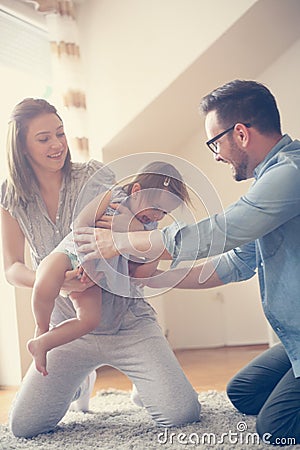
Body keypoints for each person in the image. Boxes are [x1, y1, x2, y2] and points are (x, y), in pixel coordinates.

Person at [75, 80, 300, 445]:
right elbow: (233, 264)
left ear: (240, 133)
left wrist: (120, 242)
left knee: (275, 429)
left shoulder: (291, 173)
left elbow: (219, 232)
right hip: (295, 339)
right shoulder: (270, 183)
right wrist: (157, 276)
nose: (215, 155)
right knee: (244, 392)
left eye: (215, 143)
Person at [1, 98, 201, 438]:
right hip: (68, 327)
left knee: (181, 413)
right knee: (24, 426)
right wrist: (57, 282)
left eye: (61, 134)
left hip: (127, 322)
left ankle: (144, 380)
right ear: (21, 146)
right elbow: (13, 268)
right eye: (44, 138)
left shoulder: (95, 175)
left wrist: (139, 242)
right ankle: (78, 380)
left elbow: (135, 245)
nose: (57, 144)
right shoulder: (10, 197)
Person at [27, 160, 189, 377]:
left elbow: (140, 273)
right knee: (46, 281)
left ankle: (43, 343)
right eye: (157, 209)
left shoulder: (149, 229)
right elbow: (81, 223)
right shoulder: (112, 197)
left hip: (95, 278)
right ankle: (42, 327)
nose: (157, 217)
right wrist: (85, 261)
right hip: (72, 253)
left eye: (164, 214)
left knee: (89, 320)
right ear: (137, 191)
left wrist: (142, 237)